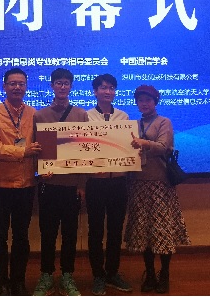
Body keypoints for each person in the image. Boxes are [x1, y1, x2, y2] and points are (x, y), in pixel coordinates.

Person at [0, 68, 42, 296]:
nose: (17, 87)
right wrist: (23, 151)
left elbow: (42, 148)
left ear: (26, 87)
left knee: (21, 237)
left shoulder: (34, 114)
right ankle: (1, 283)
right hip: (0, 185)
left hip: (26, 185)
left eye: (21, 83)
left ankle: (18, 281)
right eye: (13, 83)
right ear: (4, 86)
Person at [125, 85, 190, 294]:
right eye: (140, 100)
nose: (144, 104)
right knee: (144, 232)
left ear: (155, 102)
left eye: (148, 100)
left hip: (159, 184)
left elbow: (163, 147)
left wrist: (143, 143)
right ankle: (150, 274)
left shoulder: (164, 122)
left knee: (162, 232)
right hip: (138, 183)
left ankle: (165, 274)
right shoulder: (132, 124)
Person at [32, 68, 89, 296]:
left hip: (72, 187)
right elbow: (35, 150)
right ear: (52, 86)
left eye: (66, 83)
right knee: (47, 234)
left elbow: (85, 151)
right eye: (58, 83)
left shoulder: (81, 115)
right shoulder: (40, 116)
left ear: (71, 86)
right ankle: (46, 275)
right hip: (49, 185)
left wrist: (82, 184)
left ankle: (67, 276)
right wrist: (40, 171)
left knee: (70, 235)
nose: (62, 87)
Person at [85, 74, 133, 296]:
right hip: (95, 183)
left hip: (118, 182)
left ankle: (112, 272)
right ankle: (98, 275)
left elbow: (128, 147)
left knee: (115, 230)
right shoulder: (85, 117)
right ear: (95, 91)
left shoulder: (124, 117)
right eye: (103, 87)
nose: (107, 91)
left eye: (111, 87)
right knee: (95, 231)